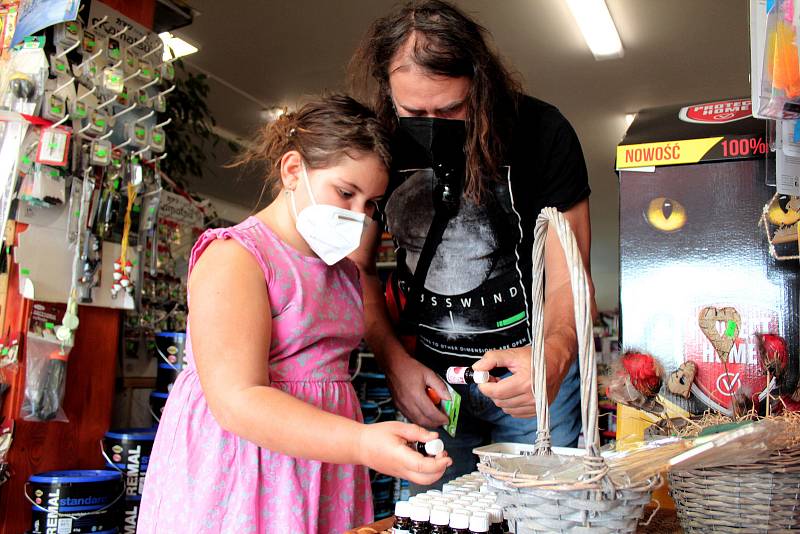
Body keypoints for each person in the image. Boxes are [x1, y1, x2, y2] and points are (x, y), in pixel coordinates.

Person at [137, 94, 451, 533]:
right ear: (292, 171)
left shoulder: (342, 271)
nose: (358, 216)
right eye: (345, 193)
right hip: (246, 472)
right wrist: (361, 443)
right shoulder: (237, 257)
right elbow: (237, 401)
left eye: (370, 204)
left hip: (323, 469)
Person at [349, 0, 595, 488]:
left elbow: (569, 275)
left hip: (532, 378)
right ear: (387, 91)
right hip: (431, 385)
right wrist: (394, 363)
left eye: (450, 108)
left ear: (480, 84)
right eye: (413, 111)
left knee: (550, 514)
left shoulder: (543, 133)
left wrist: (555, 353)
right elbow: (358, 270)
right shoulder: (376, 140)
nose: (432, 122)